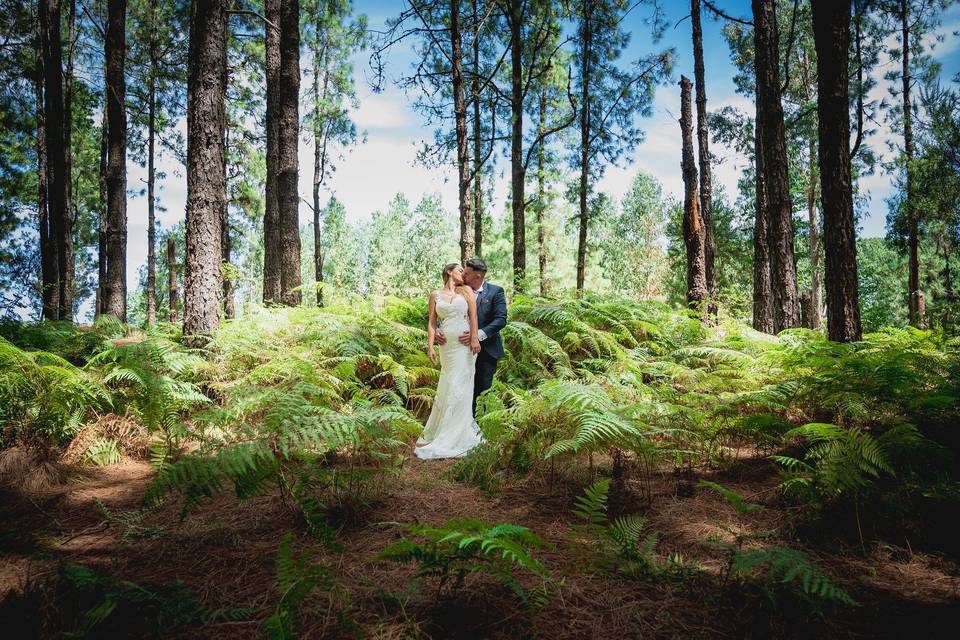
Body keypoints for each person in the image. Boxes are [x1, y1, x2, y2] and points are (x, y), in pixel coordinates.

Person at [414, 263, 485, 459]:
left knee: (459, 385)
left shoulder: (467, 291)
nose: (464, 273)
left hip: (464, 348)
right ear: (448, 272)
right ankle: (442, 430)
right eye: (460, 270)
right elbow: (431, 322)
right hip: (446, 347)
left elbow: (473, 316)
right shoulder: (435, 295)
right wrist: (430, 345)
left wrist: (473, 337)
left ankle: (457, 433)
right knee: (447, 384)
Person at [435, 257, 508, 417]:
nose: (463, 276)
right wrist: (440, 329)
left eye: (466, 273)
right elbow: (448, 312)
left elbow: (501, 319)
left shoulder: (496, 292)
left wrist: (477, 335)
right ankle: (458, 425)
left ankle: (480, 428)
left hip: (487, 349)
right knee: (459, 387)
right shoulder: (459, 289)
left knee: (482, 390)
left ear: (478, 276)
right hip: (460, 348)